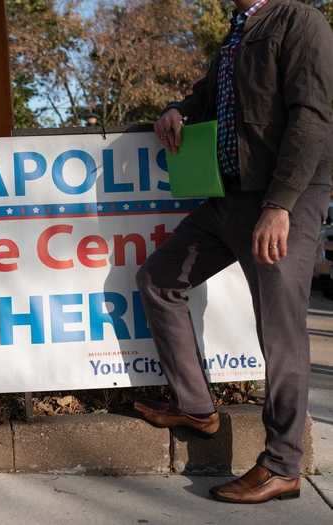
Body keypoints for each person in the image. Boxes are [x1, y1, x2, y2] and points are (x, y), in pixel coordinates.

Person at [134, 0, 333, 504]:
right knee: (160, 278)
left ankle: (284, 464)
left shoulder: (299, 20)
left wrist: (281, 204)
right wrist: (179, 109)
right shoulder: (236, 33)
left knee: (281, 331)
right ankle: (196, 407)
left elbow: (313, 115)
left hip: (280, 198)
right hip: (227, 196)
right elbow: (212, 99)